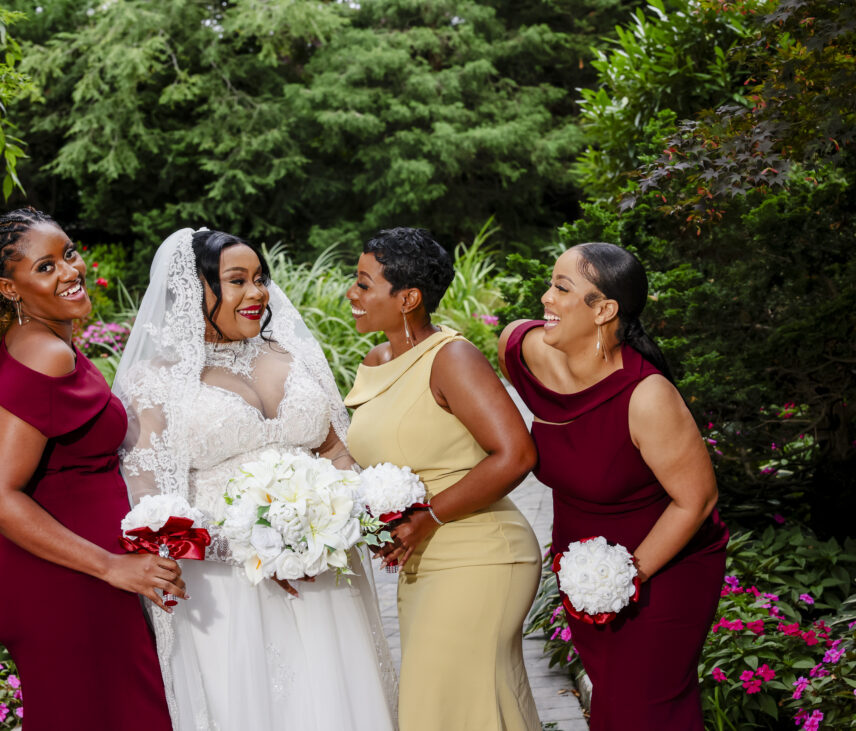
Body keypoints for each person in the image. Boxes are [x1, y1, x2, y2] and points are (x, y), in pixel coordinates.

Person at [113, 228, 397, 731]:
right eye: (236, 281)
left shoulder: (296, 355)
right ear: (192, 289)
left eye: (260, 279)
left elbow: (335, 450)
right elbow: (151, 505)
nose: (257, 293)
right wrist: (259, 547)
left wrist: (339, 520)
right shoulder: (153, 382)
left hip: (324, 570)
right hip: (227, 591)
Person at [0, 208, 178, 731]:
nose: (69, 270)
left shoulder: (45, 342)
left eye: (67, 254)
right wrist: (110, 565)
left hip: (75, 582)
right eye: (45, 267)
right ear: (9, 287)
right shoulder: (45, 354)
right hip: (66, 586)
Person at [498, 242, 729, 731]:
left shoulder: (647, 396)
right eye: (550, 284)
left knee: (639, 708)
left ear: (603, 310)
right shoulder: (521, 350)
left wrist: (626, 577)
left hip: (664, 568)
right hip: (581, 569)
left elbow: (698, 500)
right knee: (617, 699)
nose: (545, 298)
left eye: (562, 288)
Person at [343, 227, 542, 731]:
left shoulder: (451, 358)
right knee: (470, 709)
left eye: (365, 284)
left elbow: (516, 454)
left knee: (440, 710)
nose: (353, 293)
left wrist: (429, 516)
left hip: (481, 554)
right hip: (421, 563)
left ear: (407, 297)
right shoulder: (375, 362)